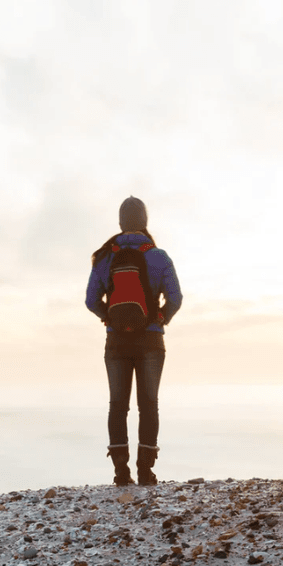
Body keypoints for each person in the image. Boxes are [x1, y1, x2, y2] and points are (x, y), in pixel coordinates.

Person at [85, 196, 183, 486]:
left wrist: (108, 317)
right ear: (145, 221)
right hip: (151, 340)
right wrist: (161, 318)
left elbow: (91, 300)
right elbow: (175, 298)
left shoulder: (105, 256)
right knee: (148, 405)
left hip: (116, 341)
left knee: (118, 405)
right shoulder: (159, 256)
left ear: (120, 222)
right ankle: (145, 471)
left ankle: (120, 472)